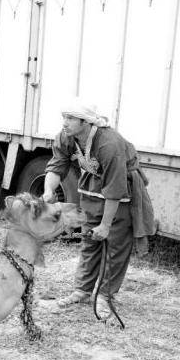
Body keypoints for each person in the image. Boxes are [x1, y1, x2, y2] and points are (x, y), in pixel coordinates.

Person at [42, 101, 155, 318]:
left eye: (70, 118)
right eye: (63, 117)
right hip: (92, 189)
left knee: (115, 244)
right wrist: (48, 191)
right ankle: (82, 291)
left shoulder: (109, 143)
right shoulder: (66, 137)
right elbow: (57, 165)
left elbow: (115, 188)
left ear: (86, 122)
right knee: (89, 241)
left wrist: (105, 225)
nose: (64, 123)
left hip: (121, 194)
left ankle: (105, 296)